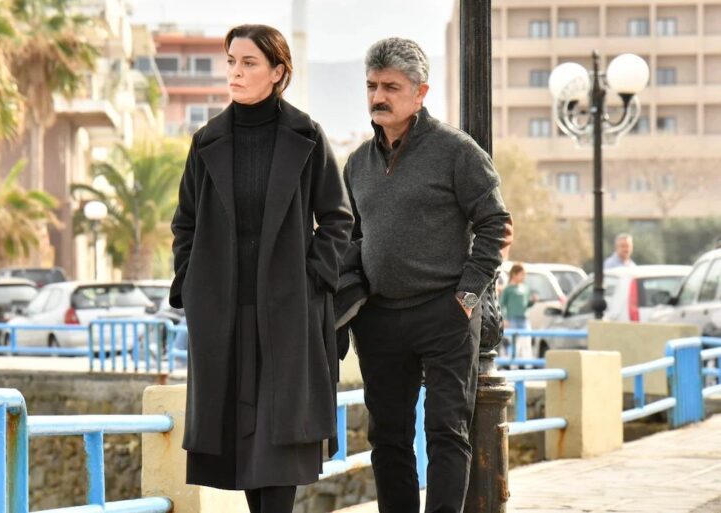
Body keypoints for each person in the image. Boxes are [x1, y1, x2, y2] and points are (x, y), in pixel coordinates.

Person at [168, 24, 354, 513]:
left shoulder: (307, 135)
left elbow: (338, 219)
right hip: (223, 314)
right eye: (231, 61)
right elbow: (185, 223)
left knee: (280, 441)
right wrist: (191, 283)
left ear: (277, 72)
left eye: (249, 62)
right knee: (239, 440)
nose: (235, 71)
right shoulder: (206, 141)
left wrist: (312, 280)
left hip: (288, 313)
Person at [344, 38, 510, 513]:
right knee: (387, 438)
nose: (379, 96)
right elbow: (351, 236)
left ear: (420, 93)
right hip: (379, 319)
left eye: (391, 87)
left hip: (445, 314)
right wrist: (352, 299)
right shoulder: (357, 163)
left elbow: (496, 224)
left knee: (446, 432)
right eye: (372, 86)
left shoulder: (457, 151)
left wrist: (468, 294)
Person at [499, 263, 537, 363]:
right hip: (512, 319)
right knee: (514, 343)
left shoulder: (525, 288)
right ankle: (512, 365)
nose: (524, 277)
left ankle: (527, 364)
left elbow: (526, 304)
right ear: (514, 274)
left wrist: (532, 301)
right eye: (521, 274)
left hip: (524, 319)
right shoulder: (508, 289)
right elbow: (502, 305)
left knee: (526, 343)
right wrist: (505, 319)